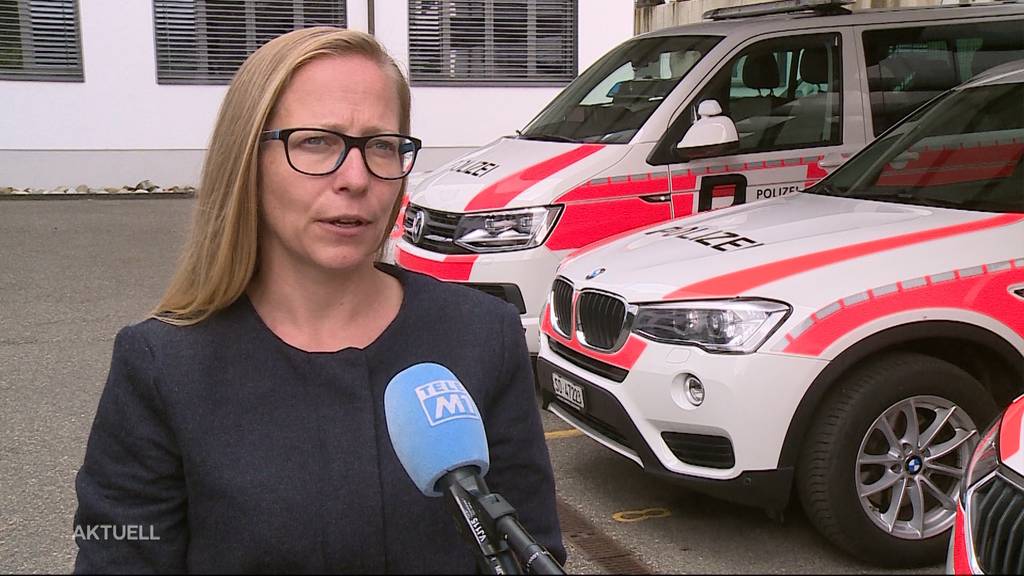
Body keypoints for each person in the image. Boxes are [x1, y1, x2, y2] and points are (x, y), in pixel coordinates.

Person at [72, 27, 565, 573]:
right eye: (316, 141)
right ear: (247, 160)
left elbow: (532, 545)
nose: (355, 177)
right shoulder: (163, 366)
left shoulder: (482, 336)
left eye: (381, 145)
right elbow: (118, 554)